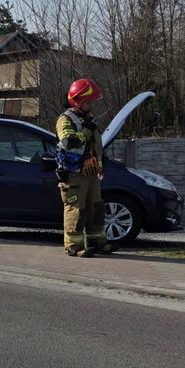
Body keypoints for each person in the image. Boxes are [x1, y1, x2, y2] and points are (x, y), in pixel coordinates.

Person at [55, 79, 112, 257]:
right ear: (76, 101)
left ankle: (97, 243)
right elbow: (68, 141)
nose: (90, 105)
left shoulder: (88, 119)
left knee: (96, 208)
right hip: (74, 174)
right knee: (76, 210)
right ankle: (74, 246)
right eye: (87, 102)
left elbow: (96, 146)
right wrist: (85, 133)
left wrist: (101, 165)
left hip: (91, 172)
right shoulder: (65, 119)